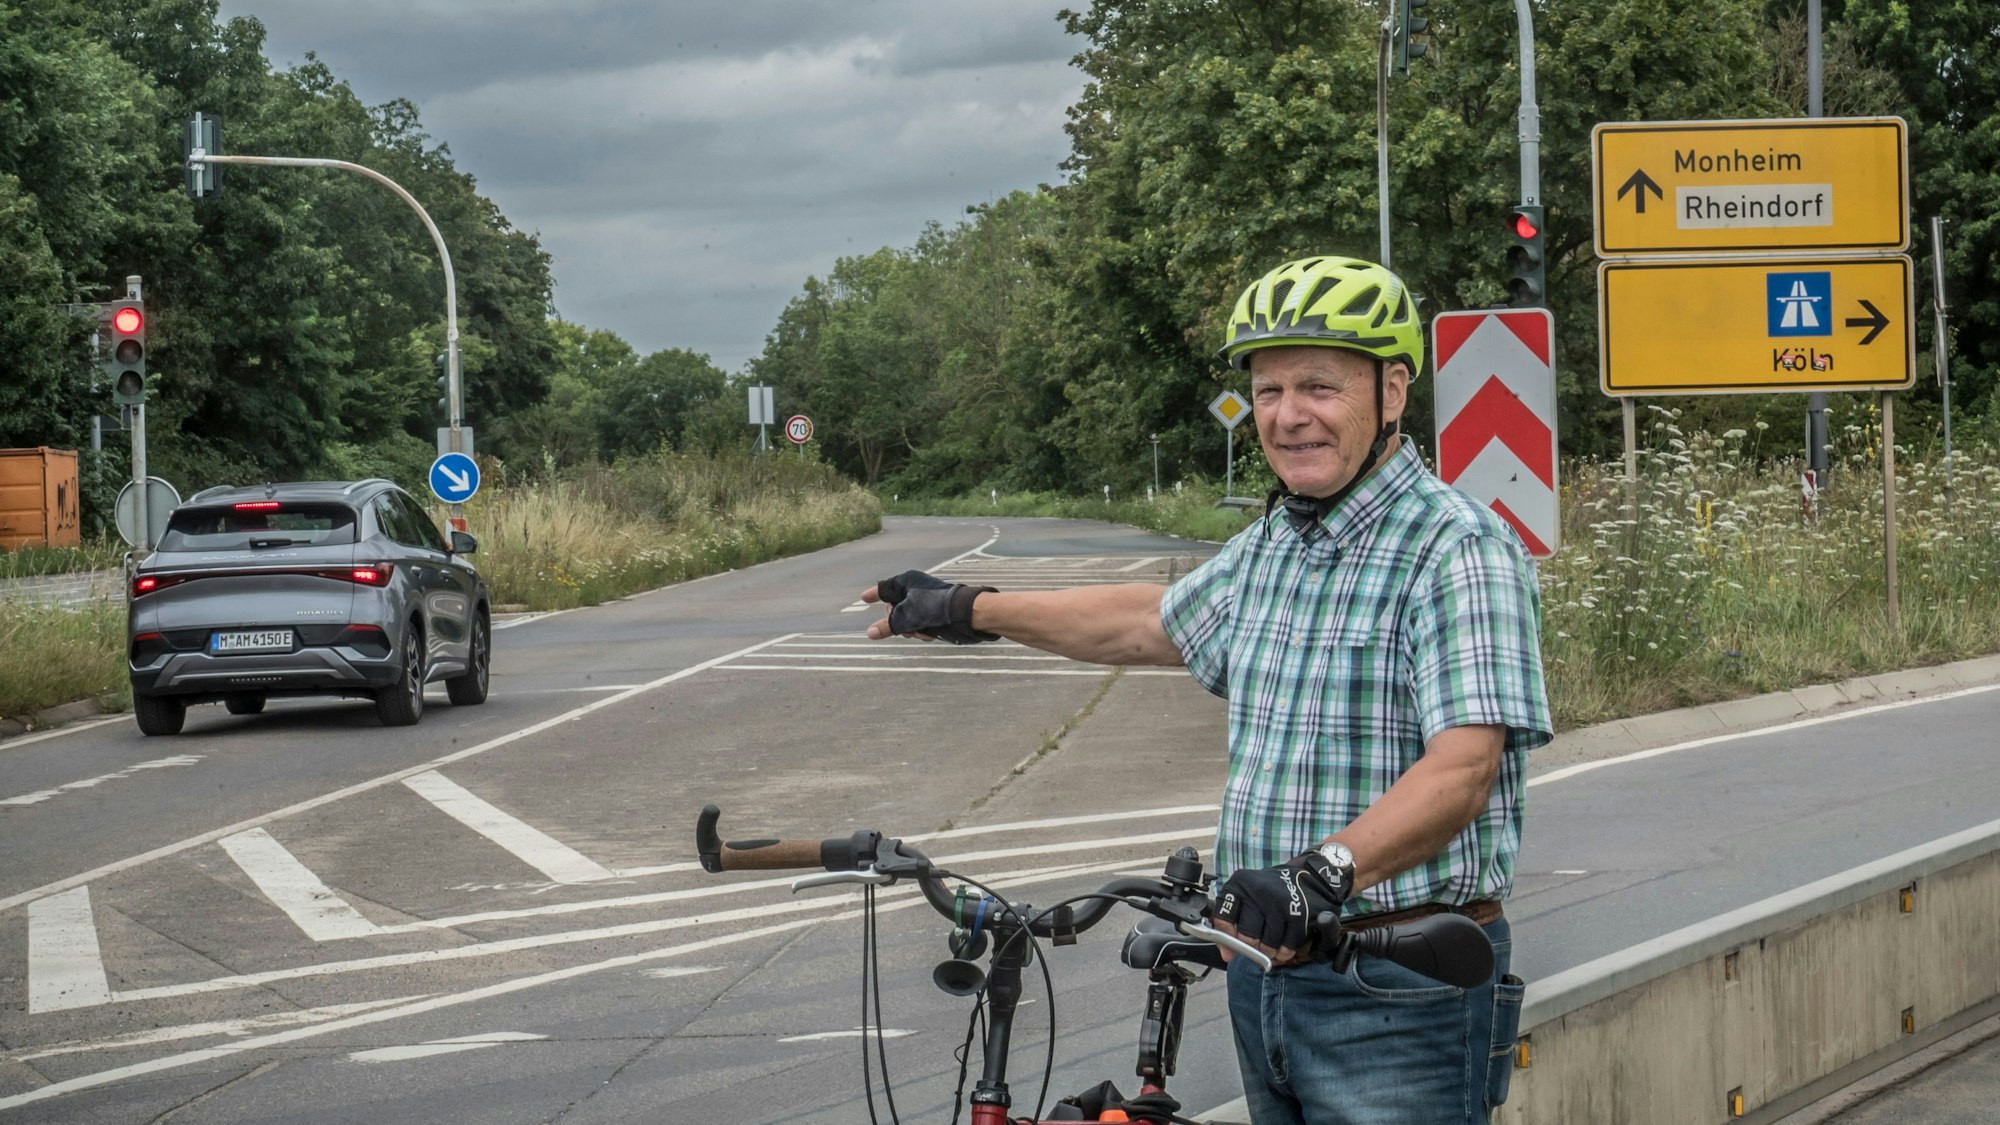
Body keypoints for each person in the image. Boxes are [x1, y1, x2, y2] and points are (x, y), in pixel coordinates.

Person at [863, 255, 1552, 1124]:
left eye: (1318, 387)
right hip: (1265, 977)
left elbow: (1463, 768)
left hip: (1399, 987)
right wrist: (970, 606)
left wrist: (1318, 876)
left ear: (1393, 390)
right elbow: (1147, 622)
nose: (1287, 415)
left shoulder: (1456, 549)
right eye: (1268, 391)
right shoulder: (1279, 542)